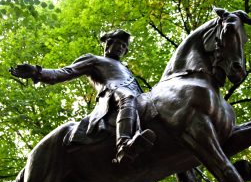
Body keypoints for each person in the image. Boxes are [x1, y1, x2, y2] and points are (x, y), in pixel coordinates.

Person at [10, 29, 156, 164]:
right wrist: (37, 72)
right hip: (113, 94)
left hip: (135, 97)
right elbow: (66, 72)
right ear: (107, 45)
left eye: (124, 46)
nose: (121, 48)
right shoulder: (94, 60)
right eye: (118, 43)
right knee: (127, 97)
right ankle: (124, 146)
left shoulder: (126, 69)